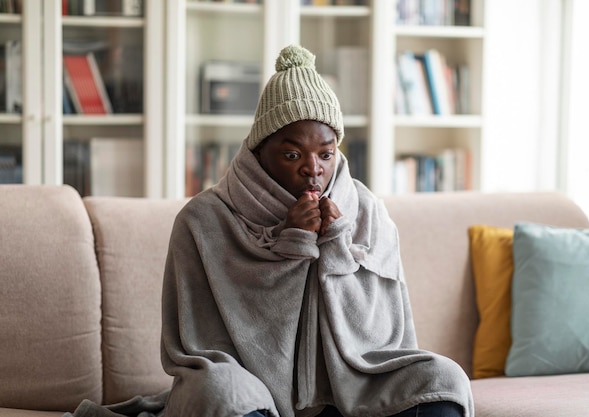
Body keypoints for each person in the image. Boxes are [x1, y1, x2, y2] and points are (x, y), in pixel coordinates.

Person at [160, 45, 474, 417]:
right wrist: (291, 247)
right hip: (249, 382)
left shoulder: (367, 210)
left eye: (325, 154)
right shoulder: (203, 220)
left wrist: (337, 242)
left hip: (352, 380)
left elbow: (384, 328)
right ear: (260, 152)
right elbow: (202, 341)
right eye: (292, 155)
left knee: (444, 379)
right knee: (221, 391)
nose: (313, 169)